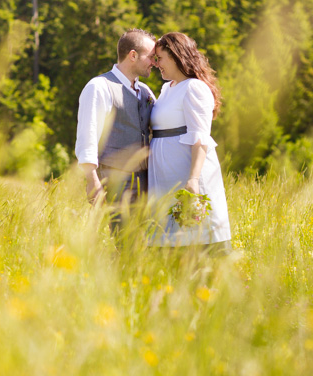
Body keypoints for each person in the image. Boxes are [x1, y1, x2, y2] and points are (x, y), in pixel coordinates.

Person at [148, 32, 231, 250]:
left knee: (197, 238)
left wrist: (193, 179)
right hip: (165, 180)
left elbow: (201, 138)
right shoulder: (167, 89)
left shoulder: (194, 87)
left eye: (160, 58)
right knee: (169, 239)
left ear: (176, 57)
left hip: (188, 176)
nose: (157, 65)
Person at [75, 29, 157, 222]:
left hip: (146, 178)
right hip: (115, 178)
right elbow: (88, 134)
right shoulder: (99, 86)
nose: (154, 62)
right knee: (124, 240)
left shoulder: (145, 91)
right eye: (151, 57)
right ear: (133, 55)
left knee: (146, 241)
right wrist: (91, 179)